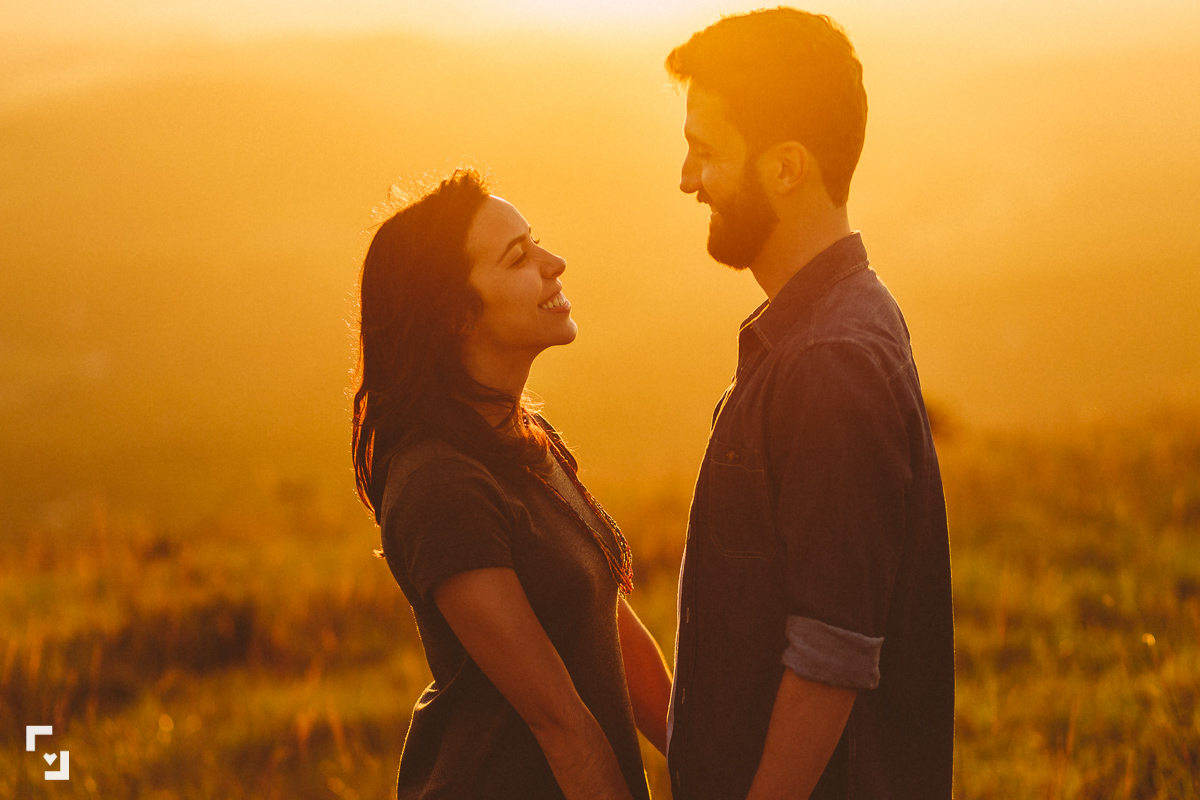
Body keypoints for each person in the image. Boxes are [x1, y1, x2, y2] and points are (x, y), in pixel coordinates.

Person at [662, 9, 954, 800]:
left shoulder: (829, 361)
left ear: (786, 167)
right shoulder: (823, 330)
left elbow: (832, 653)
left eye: (706, 151)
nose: (687, 179)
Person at [351, 169, 671, 800]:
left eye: (536, 243)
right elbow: (559, 722)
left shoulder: (521, 438)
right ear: (457, 316)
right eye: (519, 257)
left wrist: (711, 762)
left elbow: (610, 625)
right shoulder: (439, 483)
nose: (554, 264)